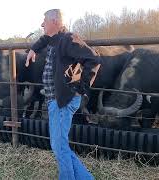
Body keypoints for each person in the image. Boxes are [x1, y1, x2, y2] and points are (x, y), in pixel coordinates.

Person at [25, 9, 100, 180]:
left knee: (59, 147)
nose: (42, 24)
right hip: (56, 101)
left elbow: (94, 59)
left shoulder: (68, 39)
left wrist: (81, 87)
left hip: (63, 101)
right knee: (59, 146)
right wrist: (33, 49)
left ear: (55, 22)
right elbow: (45, 38)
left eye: (44, 21)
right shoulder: (55, 39)